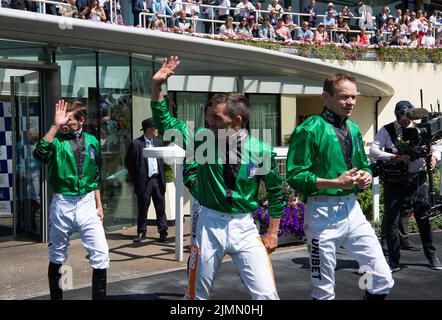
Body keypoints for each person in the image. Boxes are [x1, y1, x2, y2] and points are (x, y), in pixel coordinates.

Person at [150, 56, 285, 300]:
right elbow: (166, 123)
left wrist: (273, 232)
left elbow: (276, 192)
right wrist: (157, 87)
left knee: (266, 295)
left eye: (217, 119)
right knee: (196, 296)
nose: (209, 122)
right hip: (209, 224)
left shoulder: (261, 150)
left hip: (245, 227)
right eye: (209, 116)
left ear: (237, 121)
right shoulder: (202, 138)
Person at [286, 74, 394, 300]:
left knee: (381, 278)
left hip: (352, 211)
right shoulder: (308, 129)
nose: (351, 102)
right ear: (326, 97)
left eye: (354, 97)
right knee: (324, 291)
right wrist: (334, 183)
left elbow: (363, 164)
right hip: (321, 214)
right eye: (345, 97)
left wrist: (365, 174)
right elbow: (295, 176)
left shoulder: (354, 129)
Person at [34, 100, 109, 300]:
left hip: (86, 203)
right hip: (62, 203)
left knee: (101, 254)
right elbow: (39, 154)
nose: (64, 123)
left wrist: (99, 205)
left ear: (81, 120)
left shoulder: (92, 141)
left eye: (68, 120)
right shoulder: (56, 139)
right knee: (57, 254)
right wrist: (55, 126)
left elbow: (95, 176)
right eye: (62, 120)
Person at [369, 100, 442, 272]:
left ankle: (432, 255)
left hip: (417, 180)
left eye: (407, 119)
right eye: (402, 119)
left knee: (423, 219)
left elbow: (436, 147)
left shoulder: (422, 128)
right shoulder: (387, 130)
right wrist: (393, 157)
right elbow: (374, 150)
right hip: (394, 181)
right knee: (391, 221)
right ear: (396, 116)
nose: (405, 122)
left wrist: (434, 157)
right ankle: (394, 260)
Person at [125, 117, 168, 243]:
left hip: (158, 179)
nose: (157, 130)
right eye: (155, 128)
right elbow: (129, 163)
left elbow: (162, 161)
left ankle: (163, 232)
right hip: (144, 181)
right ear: (149, 130)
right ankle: (141, 232)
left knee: (160, 207)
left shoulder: (159, 142)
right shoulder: (136, 144)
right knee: (143, 207)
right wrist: (137, 177)